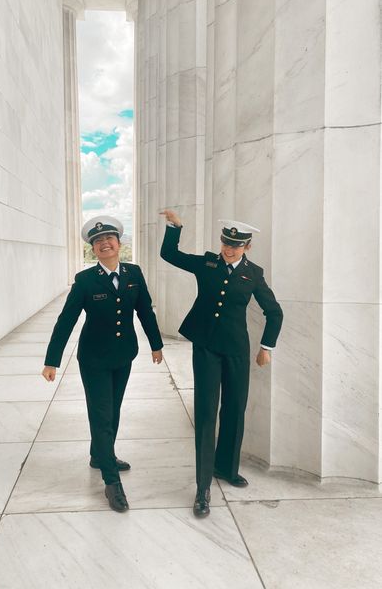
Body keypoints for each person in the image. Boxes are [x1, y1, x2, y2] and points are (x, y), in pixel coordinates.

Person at [160, 210, 283, 518]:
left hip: (237, 351)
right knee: (205, 412)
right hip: (206, 347)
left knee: (234, 409)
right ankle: (203, 487)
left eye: (236, 246)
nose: (228, 250)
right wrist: (176, 227)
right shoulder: (207, 263)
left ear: (247, 247)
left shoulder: (254, 273)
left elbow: (274, 312)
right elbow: (169, 254)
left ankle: (226, 468)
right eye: (226, 243)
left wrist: (266, 346)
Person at [42, 216, 163, 513]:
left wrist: (156, 344)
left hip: (124, 355)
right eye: (98, 242)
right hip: (94, 358)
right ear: (93, 249)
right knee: (101, 414)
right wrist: (52, 360)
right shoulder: (85, 280)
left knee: (114, 409)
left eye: (109, 239)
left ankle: (100, 455)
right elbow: (66, 321)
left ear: (119, 244)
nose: (105, 244)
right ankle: (111, 482)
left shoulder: (134, 273)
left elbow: (145, 311)